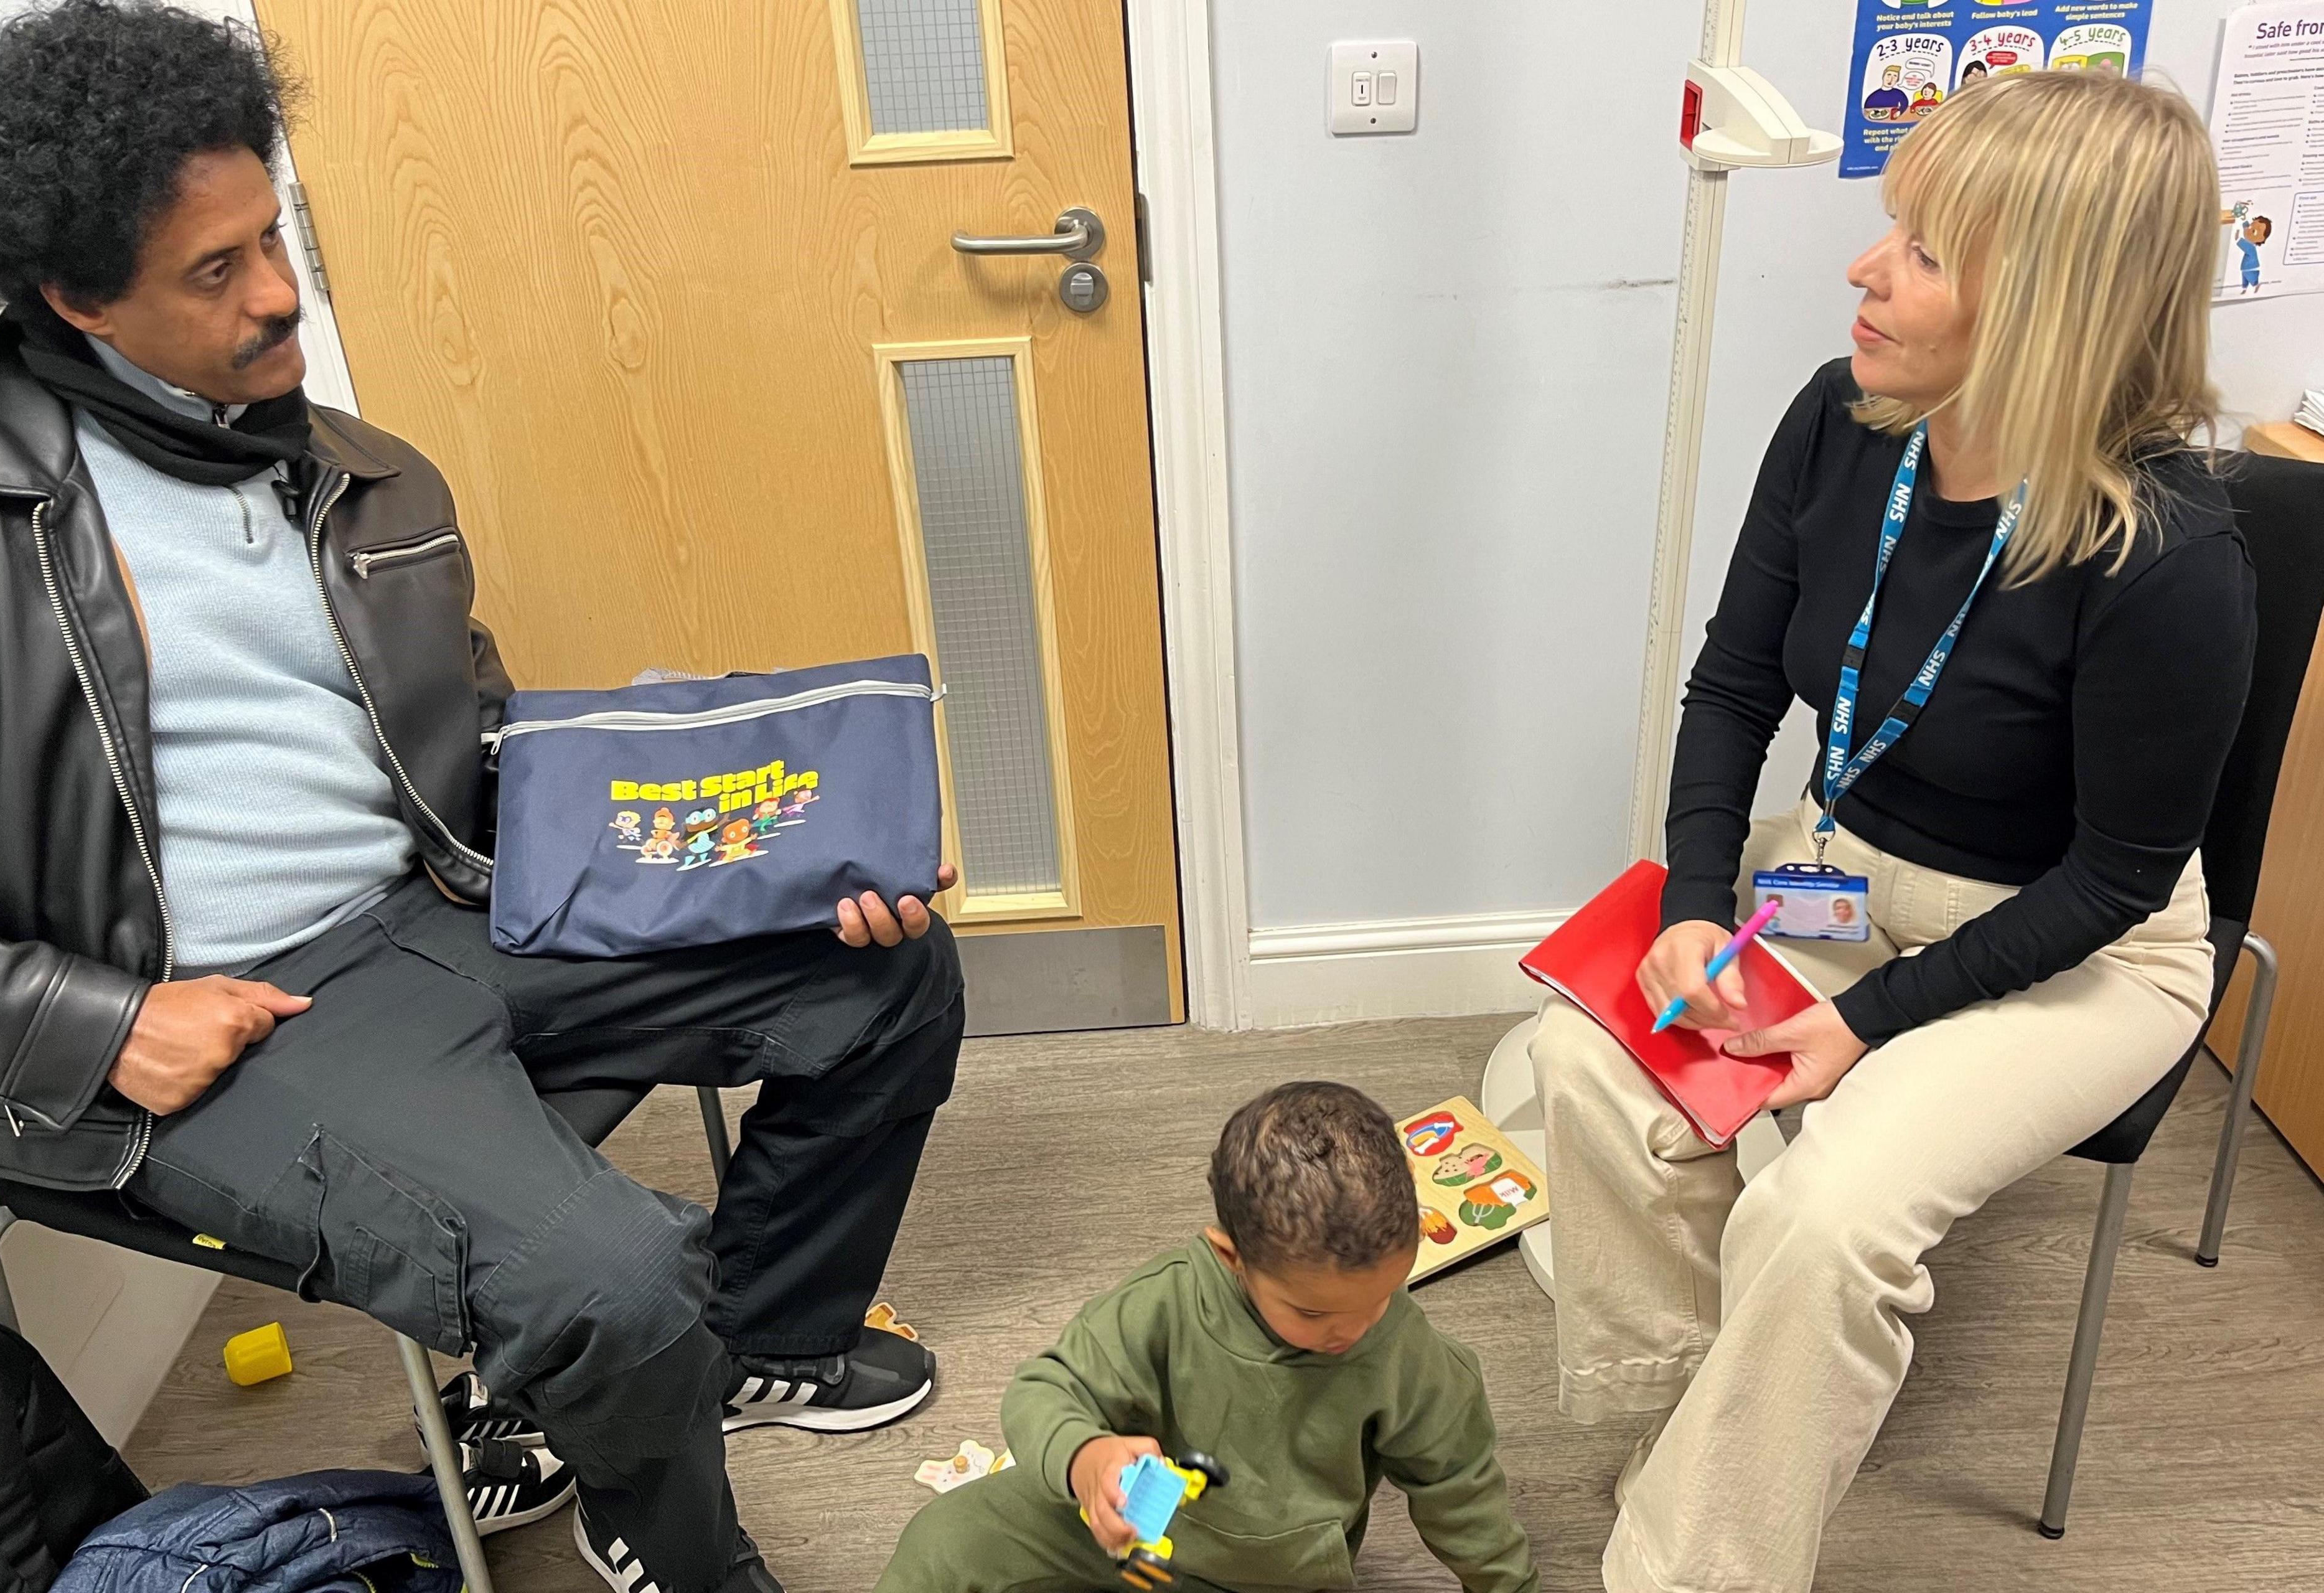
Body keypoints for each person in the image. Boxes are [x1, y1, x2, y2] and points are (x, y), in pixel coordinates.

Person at [0, 6, 965, 1592]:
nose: (280, 293)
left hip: (448, 904)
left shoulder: (365, 474)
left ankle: (740, 1349)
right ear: (79, 297)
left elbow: (476, 747)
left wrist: (761, 841)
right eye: (215, 272)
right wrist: (95, 1022)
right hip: (230, 1010)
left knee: (880, 970)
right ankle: (669, 1529)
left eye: (269, 235)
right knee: (612, 1272)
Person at [1525, 70, 2252, 1593]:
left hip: (2082, 944)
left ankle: (1688, 1569)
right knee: (1587, 1056)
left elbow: (2118, 874)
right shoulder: (1842, 421)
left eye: (1920, 248)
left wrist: (1862, 1025)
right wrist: (1693, 897)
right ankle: (1678, 1437)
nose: (1863, 266)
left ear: (2048, 299)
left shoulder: (2167, 554)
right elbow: (1731, 685)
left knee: (1827, 1210)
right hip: (1842, 871)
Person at [872, 1081, 1539, 1592]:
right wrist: (1087, 1458)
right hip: (1140, 1520)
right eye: (1311, 1313)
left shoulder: (1408, 1355)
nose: (1353, 1330)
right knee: (946, 1537)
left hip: (1273, 1575)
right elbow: (1046, 1389)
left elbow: (1461, 1486)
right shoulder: (1165, 1301)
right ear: (1231, 1257)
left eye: (1379, 1298)